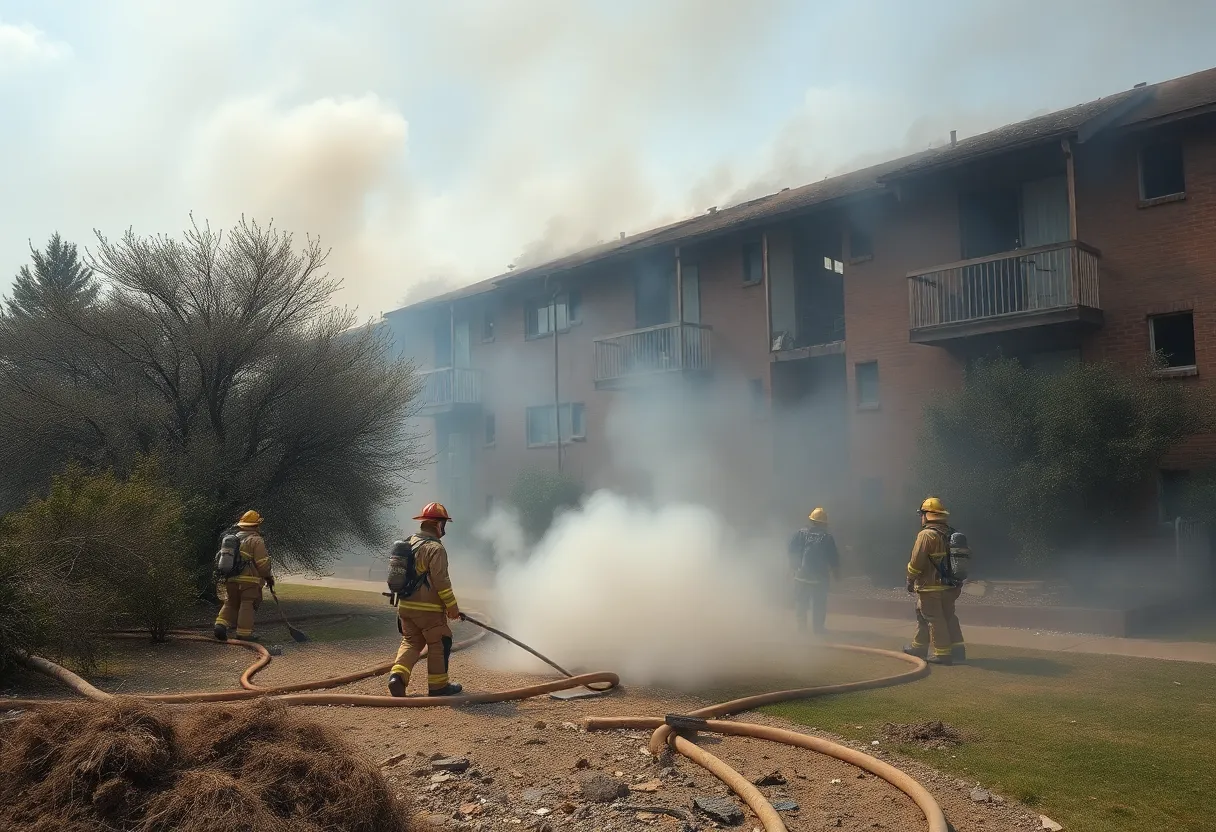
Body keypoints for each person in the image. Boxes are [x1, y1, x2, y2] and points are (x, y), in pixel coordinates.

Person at [387, 501, 464, 697]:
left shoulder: (408, 543)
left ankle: (397, 677)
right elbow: (441, 581)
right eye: (443, 524)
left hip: (404, 607)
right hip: (428, 610)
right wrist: (452, 607)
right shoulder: (435, 548)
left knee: (411, 642)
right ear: (438, 525)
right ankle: (438, 687)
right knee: (440, 641)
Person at [903, 497, 965, 665]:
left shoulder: (926, 535)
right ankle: (955, 650)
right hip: (950, 587)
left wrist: (910, 579)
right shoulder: (951, 534)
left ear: (927, 515)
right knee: (947, 616)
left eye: (922, 514)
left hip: (930, 586)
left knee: (933, 617)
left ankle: (942, 653)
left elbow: (916, 563)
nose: (920, 517)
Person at [214, 510, 274, 642]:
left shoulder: (233, 539)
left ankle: (220, 625)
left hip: (231, 578)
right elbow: (262, 563)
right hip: (249, 580)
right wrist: (268, 577)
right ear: (255, 525)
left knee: (230, 603)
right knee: (247, 604)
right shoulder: (256, 540)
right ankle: (244, 633)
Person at [788, 507, 840, 635]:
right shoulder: (827, 538)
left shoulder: (800, 533)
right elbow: (833, 558)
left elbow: (791, 550)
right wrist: (836, 573)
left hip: (801, 575)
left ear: (811, 520)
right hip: (819, 578)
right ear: (824, 523)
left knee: (801, 603)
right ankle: (818, 629)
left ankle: (801, 629)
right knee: (819, 604)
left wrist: (793, 566)